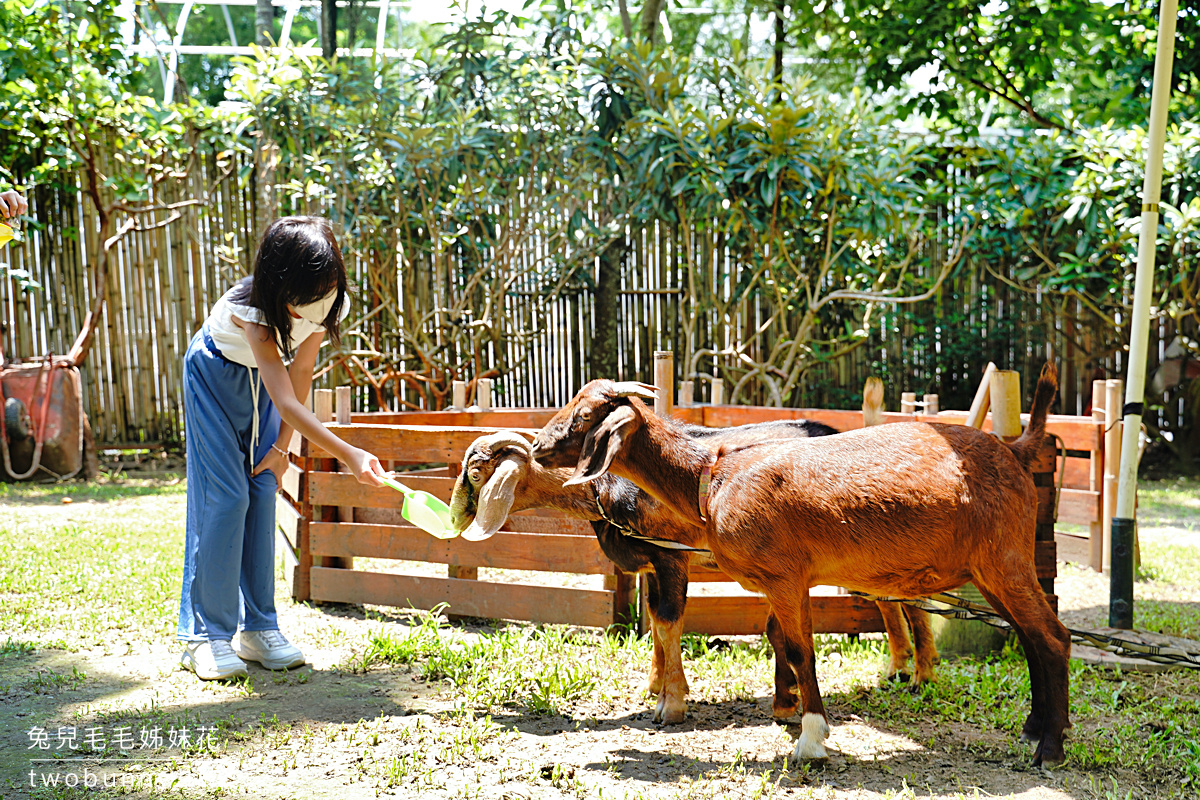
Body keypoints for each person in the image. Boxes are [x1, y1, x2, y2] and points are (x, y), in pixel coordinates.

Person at [179, 216, 387, 680]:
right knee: (226, 499)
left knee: (261, 491)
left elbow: (300, 378)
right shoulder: (252, 315)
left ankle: (259, 628)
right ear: (279, 287)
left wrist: (281, 449)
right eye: (305, 299)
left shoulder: (326, 301)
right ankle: (205, 635)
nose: (317, 307)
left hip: (266, 388)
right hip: (214, 376)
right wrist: (350, 454)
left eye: (327, 292)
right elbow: (286, 399)